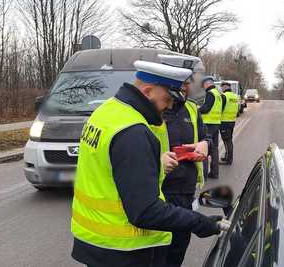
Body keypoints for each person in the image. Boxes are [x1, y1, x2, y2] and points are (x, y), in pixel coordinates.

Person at [71, 60, 223, 267]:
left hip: (96, 242)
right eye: (167, 99)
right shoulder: (133, 131)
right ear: (148, 91)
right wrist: (198, 222)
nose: (169, 106)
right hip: (124, 249)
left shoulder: (107, 111)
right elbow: (145, 211)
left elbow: (111, 171)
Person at [161, 74, 211, 267]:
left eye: (188, 82)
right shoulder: (155, 110)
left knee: (178, 250)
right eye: (181, 82)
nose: (186, 86)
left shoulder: (191, 108)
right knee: (159, 252)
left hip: (186, 192)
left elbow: (206, 136)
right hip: (162, 192)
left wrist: (205, 144)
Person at [198, 76, 225, 179]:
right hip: (216, 124)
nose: (203, 87)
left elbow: (206, 108)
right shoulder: (218, 94)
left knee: (204, 147)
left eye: (203, 85)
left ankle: (204, 174)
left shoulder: (210, 94)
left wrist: (197, 109)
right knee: (214, 149)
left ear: (207, 83)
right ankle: (215, 173)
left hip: (208, 125)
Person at [219, 81, 239, 165]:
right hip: (232, 121)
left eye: (222, 87)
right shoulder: (235, 96)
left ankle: (228, 159)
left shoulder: (224, 96)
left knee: (227, 141)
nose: (221, 89)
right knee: (229, 139)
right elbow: (237, 109)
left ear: (224, 87)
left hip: (224, 121)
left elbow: (220, 109)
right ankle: (227, 156)